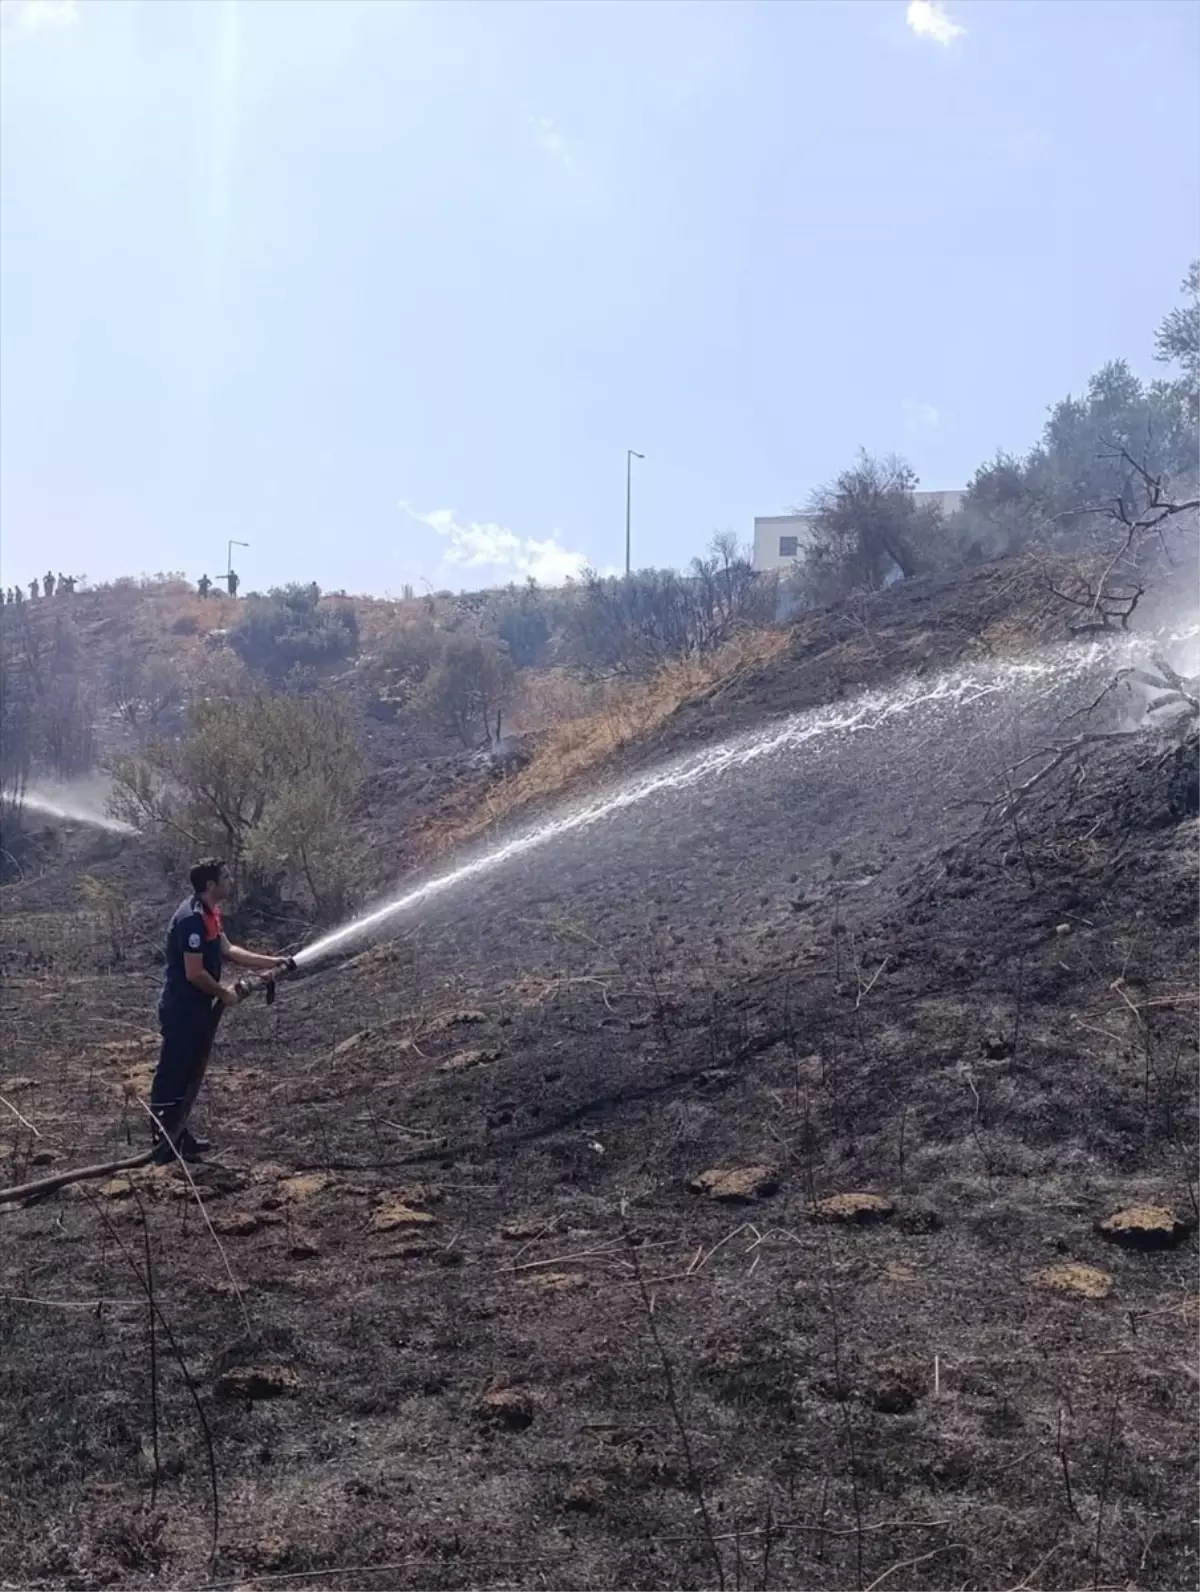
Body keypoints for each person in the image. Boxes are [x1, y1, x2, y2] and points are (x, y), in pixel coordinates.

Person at [149, 858, 290, 1160]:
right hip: (182, 1010)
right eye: (225, 877)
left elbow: (228, 950)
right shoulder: (191, 920)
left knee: (188, 1072)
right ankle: (161, 1142)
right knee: (173, 1072)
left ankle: (179, 1135)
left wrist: (271, 962)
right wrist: (224, 993)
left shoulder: (210, 913)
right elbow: (194, 973)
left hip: (197, 1008)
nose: (231, 881)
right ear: (210, 885)